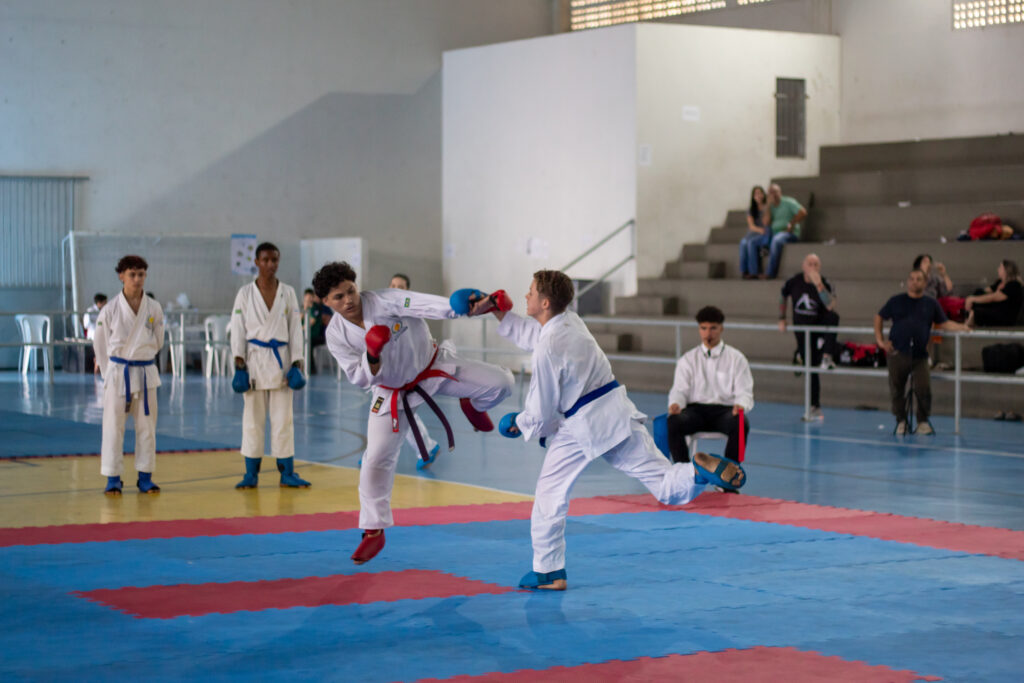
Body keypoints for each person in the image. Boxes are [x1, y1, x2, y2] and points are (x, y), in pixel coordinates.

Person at [493, 270, 746, 591]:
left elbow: (541, 408)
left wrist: (520, 422)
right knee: (664, 484)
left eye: (530, 292)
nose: (525, 296)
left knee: (549, 494)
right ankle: (696, 472)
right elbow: (538, 335)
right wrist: (500, 314)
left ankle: (549, 572)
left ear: (544, 302)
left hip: (583, 425)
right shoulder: (572, 322)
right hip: (617, 410)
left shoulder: (548, 348)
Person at [315, 261, 515, 565]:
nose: (349, 300)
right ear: (326, 301)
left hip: (433, 366)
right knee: (375, 459)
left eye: (350, 291)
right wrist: (372, 355)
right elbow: (358, 377)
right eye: (338, 297)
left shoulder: (386, 300)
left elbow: (425, 304)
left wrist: (464, 307)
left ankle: (473, 405)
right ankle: (373, 530)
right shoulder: (336, 335)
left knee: (503, 383)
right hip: (390, 392)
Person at [230, 242, 311, 489]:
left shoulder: (288, 292)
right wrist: (239, 362)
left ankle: (287, 473)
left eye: (274, 260)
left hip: (281, 362)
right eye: (265, 260)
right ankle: (250, 474)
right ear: (256, 262)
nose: (270, 264)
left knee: (283, 419)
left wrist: (297, 361)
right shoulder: (245, 293)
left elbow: (295, 329)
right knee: (252, 420)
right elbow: (237, 330)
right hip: (254, 361)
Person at [92, 256, 164, 494]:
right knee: (113, 427)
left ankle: (145, 477)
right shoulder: (110, 309)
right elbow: (100, 344)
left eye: (141, 274)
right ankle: (113, 478)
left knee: (147, 427)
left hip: (145, 372)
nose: (137, 279)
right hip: (118, 373)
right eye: (132, 274)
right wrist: (108, 373)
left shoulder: (153, 308)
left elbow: (159, 341)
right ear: (121, 276)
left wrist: (143, 355)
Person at [874, 269, 970, 435]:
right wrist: (880, 340)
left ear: (925, 283)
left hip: (920, 356)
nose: (914, 282)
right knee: (896, 390)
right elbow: (879, 316)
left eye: (918, 279)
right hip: (897, 353)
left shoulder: (931, 303)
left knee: (924, 389)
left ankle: (923, 421)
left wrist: (962, 327)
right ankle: (901, 420)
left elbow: (944, 323)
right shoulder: (896, 301)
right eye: (911, 279)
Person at [666, 305, 753, 485]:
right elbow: (679, 390)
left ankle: (730, 476)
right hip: (695, 412)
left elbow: (744, 391)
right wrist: (676, 403)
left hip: (725, 412)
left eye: (713, 328)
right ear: (699, 329)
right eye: (704, 328)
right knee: (673, 422)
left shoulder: (736, 358)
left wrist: (741, 405)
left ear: (721, 328)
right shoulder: (687, 359)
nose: (708, 333)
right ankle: (686, 476)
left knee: (741, 422)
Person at [387, 273, 440, 470]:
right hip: (390, 370)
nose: (395, 289)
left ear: (407, 291)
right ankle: (375, 454)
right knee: (390, 412)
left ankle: (426, 447)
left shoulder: (412, 310)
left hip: (407, 369)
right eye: (393, 285)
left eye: (400, 287)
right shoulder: (384, 309)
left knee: (398, 410)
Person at [779, 253, 840, 421]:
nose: (813, 267)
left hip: (817, 325)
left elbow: (830, 305)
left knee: (833, 317)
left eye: (816, 264)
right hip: (801, 329)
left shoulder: (825, 283)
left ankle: (827, 357)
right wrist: (782, 318)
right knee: (810, 365)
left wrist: (819, 285)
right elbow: (783, 295)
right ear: (803, 266)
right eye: (810, 264)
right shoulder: (794, 281)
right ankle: (814, 405)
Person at [764, 183, 807, 280]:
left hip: (789, 234)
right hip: (773, 233)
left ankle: (770, 273)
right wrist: (768, 206)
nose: (773, 195)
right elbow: (766, 223)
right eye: (770, 193)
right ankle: (752, 272)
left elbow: (803, 212)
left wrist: (791, 223)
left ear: (780, 192)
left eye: (775, 192)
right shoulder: (770, 206)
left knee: (776, 240)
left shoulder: (788, 202)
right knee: (750, 242)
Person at [965, 260, 1023, 328]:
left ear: (1006, 270)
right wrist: (972, 297)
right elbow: (986, 291)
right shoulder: (1000, 282)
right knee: (977, 293)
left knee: (977, 312)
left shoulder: (1014, 285)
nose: (998, 269)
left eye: (1000, 267)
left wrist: (973, 299)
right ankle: (967, 321)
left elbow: (994, 297)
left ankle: (967, 326)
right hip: (995, 310)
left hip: (1005, 316)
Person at [914, 254, 961, 321]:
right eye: (925, 261)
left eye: (929, 262)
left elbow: (949, 291)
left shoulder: (935, 278)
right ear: (919, 265)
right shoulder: (914, 277)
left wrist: (943, 274)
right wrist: (923, 272)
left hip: (934, 307)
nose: (928, 264)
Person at [738, 185, 772, 279]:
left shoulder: (767, 207)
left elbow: (767, 222)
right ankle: (744, 271)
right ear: (753, 197)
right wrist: (759, 230)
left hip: (764, 233)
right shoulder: (751, 209)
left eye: (760, 193)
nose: (759, 196)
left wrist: (767, 206)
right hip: (755, 232)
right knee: (743, 243)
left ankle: (754, 272)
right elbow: (751, 226)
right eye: (756, 194)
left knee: (751, 243)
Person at [302, 287, 332, 373]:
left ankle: (310, 368)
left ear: (312, 297)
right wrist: (304, 308)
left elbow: (311, 322)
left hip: (317, 336)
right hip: (307, 335)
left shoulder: (316, 308)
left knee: (308, 343)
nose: (308, 300)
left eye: (309, 298)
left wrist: (300, 328)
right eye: (306, 298)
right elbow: (298, 319)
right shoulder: (305, 308)